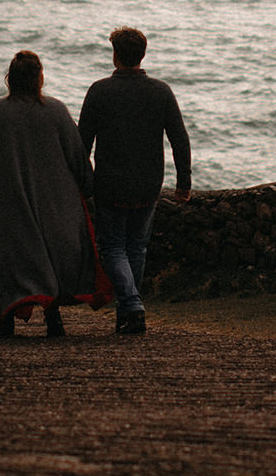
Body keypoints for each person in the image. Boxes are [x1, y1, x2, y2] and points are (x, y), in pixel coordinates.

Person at [0, 50, 111, 338]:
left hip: (8, 204)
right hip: (56, 202)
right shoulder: (56, 110)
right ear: (39, 78)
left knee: (9, 259)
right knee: (52, 256)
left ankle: (5, 322)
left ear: (10, 80)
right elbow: (78, 157)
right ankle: (53, 318)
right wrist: (88, 187)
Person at [78, 26, 191, 336]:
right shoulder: (161, 91)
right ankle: (128, 312)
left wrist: (81, 181)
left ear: (115, 56)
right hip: (148, 183)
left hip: (110, 184)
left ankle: (132, 305)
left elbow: (82, 143)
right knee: (137, 248)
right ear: (142, 55)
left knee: (113, 248)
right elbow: (179, 139)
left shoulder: (99, 91)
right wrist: (184, 182)